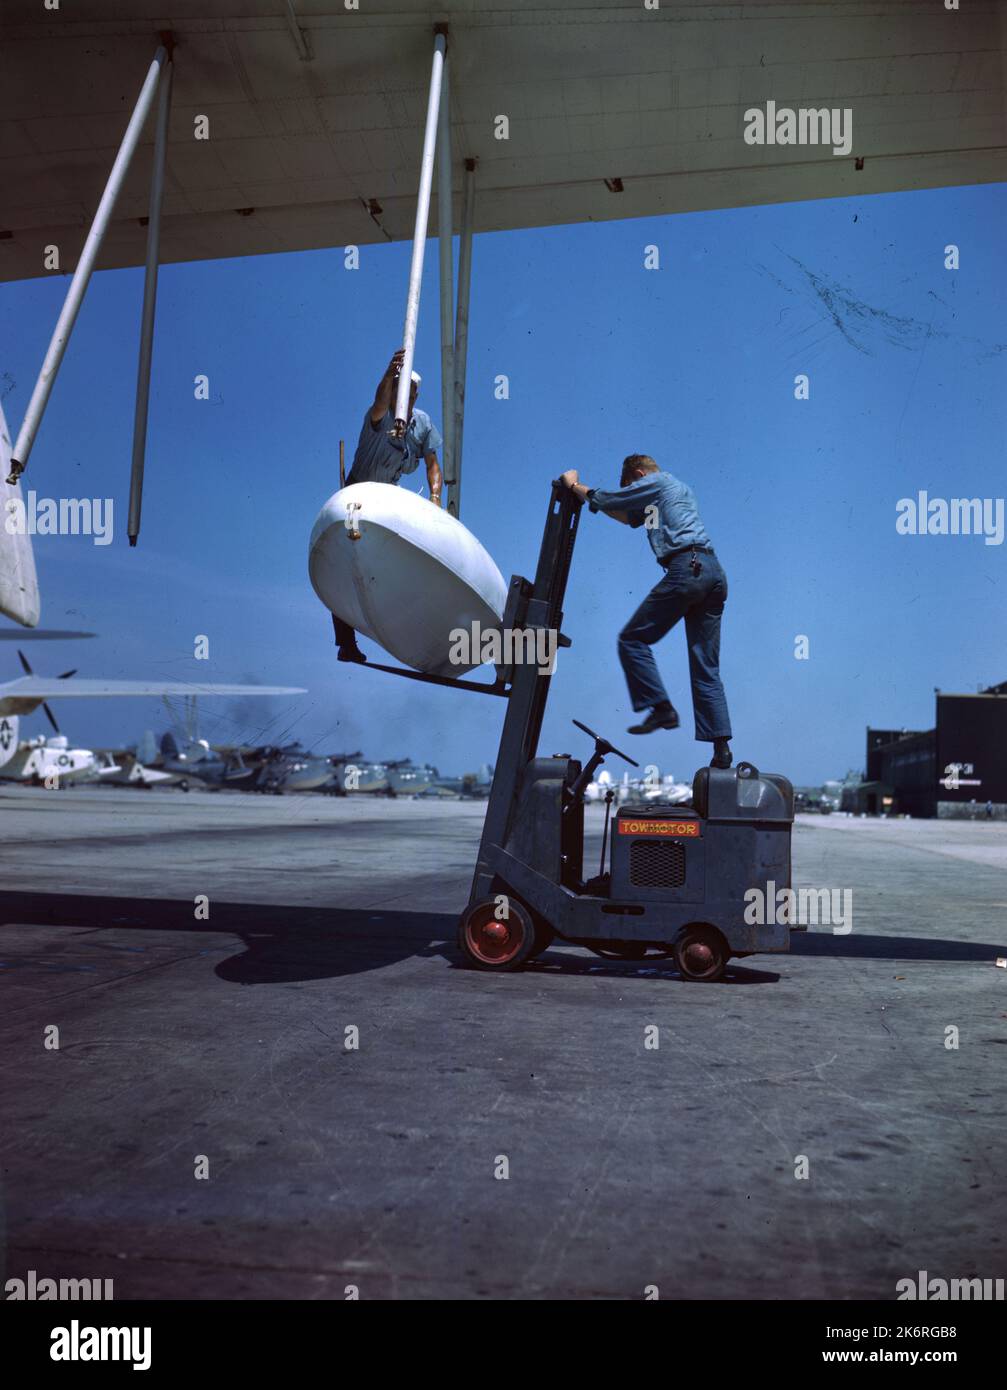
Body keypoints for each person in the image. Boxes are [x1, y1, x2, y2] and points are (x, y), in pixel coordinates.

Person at [560, 455, 733, 769]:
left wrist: (574, 486)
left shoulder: (656, 481)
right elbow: (628, 516)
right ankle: (721, 750)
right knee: (706, 669)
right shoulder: (676, 490)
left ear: (638, 475)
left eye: (632, 486)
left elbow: (611, 498)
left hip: (686, 569)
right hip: (712, 573)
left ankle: (661, 708)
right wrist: (595, 503)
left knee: (632, 639)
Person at [333, 349, 444, 662]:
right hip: (356, 494)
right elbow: (380, 399)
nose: (401, 396)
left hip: (386, 499)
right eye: (398, 389)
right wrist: (388, 372)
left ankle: (411, 629)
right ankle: (347, 644)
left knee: (390, 560)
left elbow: (433, 464)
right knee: (347, 566)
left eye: (408, 392)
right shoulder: (381, 413)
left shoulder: (422, 424)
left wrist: (435, 498)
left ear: (416, 394)